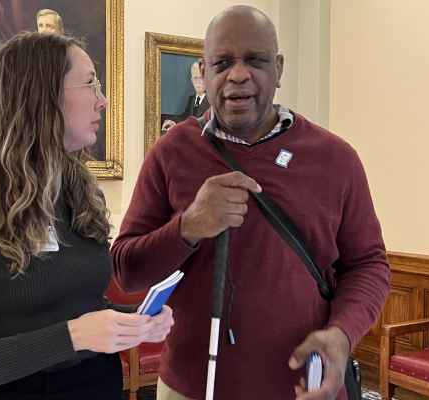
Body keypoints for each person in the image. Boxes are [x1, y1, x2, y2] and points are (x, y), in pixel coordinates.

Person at [111, 5, 390, 400]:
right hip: (191, 388)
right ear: (203, 73)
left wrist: (343, 334)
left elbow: (369, 264)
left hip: (302, 389)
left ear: (278, 69)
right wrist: (188, 227)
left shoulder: (335, 158)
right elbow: (127, 270)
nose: (238, 74)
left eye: (255, 60)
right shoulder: (171, 153)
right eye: (222, 62)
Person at [0, 33, 174, 400]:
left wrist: (134, 320)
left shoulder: (79, 191)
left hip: (101, 386)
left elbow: (79, 307)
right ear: (43, 97)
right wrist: (72, 337)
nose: (103, 100)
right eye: (90, 83)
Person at [161, 61, 210, 133]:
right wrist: (172, 122)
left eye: (201, 78)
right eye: (196, 78)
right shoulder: (192, 99)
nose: (199, 82)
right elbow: (184, 118)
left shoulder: (213, 101)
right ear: (192, 80)